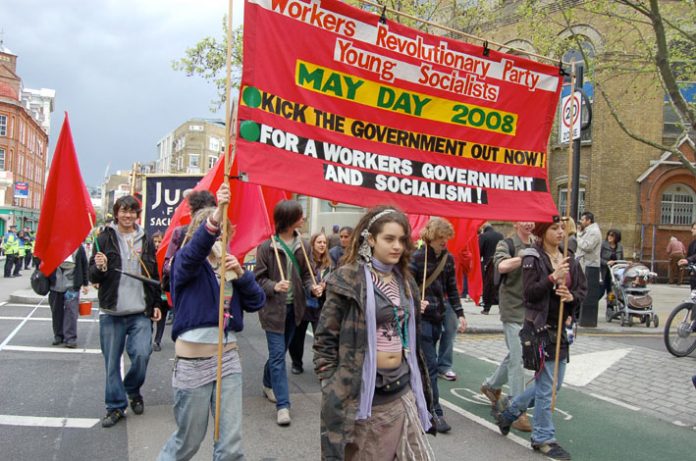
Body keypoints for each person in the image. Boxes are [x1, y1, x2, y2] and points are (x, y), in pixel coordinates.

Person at [314, 205, 435, 460]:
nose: (397, 246)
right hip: (366, 397)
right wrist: (331, 383)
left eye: (402, 240)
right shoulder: (347, 279)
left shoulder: (406, 280)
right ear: (370, 239)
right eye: (389, 239)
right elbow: (325, 338)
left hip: (403, 390)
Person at [157, 183, 265, 461]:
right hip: (193, 364)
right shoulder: (185, 263)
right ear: (197, 234)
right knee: (187, 442)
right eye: (215, 232)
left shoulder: (230, 266)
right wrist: (214, 219)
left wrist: (241, 274)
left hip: (227, 361)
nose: (220, 237)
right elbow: (193, 254)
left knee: (230, 447)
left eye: (224, 232)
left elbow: (257, 302)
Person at [492, 216, 587, 460]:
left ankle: (510, 412)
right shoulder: (532, 258)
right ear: (543, 231)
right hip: (540, 329)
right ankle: (543, 437)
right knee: (546, 388)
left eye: (562, 229)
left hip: (562, 329)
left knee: (554, 385)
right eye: (554, 228)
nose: (560, 233)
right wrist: (551, 278)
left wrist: (571, 297)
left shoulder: (569, 258)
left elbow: (581, 290)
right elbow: (530, 294)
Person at [89, 195, 162, 428]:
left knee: (142, 355)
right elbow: (93, 275)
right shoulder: (104, 238)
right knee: (112, 363)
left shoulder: (146, 240)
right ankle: (115, 406)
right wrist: (99, 268)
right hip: (112, 311)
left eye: (132, 211)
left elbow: (154, 275)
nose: (128, 215)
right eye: (123, 211)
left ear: (137, 214)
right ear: (116, 213)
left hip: (140, 311)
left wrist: (157, 305)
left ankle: (132, 389)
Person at [254, 200, 322, 426]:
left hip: (296, 309)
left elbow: (306, 274)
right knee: (277, 357)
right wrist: (274, 286)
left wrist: (313, 286)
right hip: (273, 310)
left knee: (279, 353)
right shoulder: (266, 247)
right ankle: (283, 406)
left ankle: (267, 383)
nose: (303, 219)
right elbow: (258, 279)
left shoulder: (303, 245)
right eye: (300, 216)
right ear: (289, 219)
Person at [409, 217, 467, 433]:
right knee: (431, 366)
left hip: (438, 317)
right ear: (432, 237)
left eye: (446, 238)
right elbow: (407, 287)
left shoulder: (448, 259)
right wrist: (416, 300)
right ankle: (435, 412)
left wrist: (460, 313)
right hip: (421, 319)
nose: (445, 242)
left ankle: (417, 404)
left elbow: (452, 288)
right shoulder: (416, 258)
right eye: (441, 238)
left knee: (423, 366)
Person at [480, 221, 535, 432]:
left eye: (532, 220)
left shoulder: (537, 243)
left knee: (515, 353)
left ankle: (491, 385)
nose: (529, 224)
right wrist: (522, 257)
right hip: (512, 307)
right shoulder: (507, 244)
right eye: (525, 220)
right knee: (518, 357)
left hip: (532, 308)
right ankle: (517, 408)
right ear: (516, 223)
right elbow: (501, 265)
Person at [289, 231, 332, 375]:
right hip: (304, 304)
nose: (322, 245)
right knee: (297, 338)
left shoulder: (329, 263)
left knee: (321, 338)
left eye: (324, 243)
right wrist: (311, 287)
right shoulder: (306, 260)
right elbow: (299, 279)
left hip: (320, 306)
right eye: (319, 242)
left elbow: (333, 279)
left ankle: (321, 364)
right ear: (312, 244)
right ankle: (296, 363)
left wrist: (326, 285)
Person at [48, 245, 89, 348]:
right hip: (55, 285)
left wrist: (85, 283)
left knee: (71, 312)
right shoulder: (53, 245)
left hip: (72, 286)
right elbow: (43, 262)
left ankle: (70, 338)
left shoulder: (79, 247)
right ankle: (58, 335)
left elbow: (84, 265)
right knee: (56, 311)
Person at [576, 211, 601, 325]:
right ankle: (578, 315)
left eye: (583, 219)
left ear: (589, 221)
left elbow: (587, 246)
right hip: (584, 265)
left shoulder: (594, 232)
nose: (581, 221)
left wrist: (577, 235)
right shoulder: (588, 231)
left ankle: (585, 319)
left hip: (590, 266)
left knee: (586, 292)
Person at [479, 222, 503, 314]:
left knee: (488, 286)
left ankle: (486, 308)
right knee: (499, 285)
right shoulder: (500, 235)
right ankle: (501, 308)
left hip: (487, 264)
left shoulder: (483, 236)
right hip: (500, 262)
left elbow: (479, 251)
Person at [151, 231, 169, 352]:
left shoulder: (167, 256)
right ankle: (147, 338)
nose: (157, 244)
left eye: (159, 241)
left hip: (163, 293)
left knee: (162, 318)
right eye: (155, 241)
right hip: (151, 292)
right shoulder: (148, 256)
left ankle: (157, 340)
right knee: (149, 317)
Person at [600, 229, 624, 297]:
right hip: (603, 272)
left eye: (612, 236)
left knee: (611, 293)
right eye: (608, 235)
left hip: (614, 274)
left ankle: (610, 306)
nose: (609, 237)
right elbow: (597, 258)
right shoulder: (603, 244)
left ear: (617, 237)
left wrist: (625, 263)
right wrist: (607, 262)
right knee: (600, 292)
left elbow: (621, 259)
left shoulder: (620, 246)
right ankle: (592, 306)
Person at [678, 222, 696, 290]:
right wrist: (684, 262)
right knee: (693, 295)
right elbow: (689, 256)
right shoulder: (692, 244)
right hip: (694, 274)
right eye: (692, 228)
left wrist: (688, 260)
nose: (692, 230)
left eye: (694, 229)